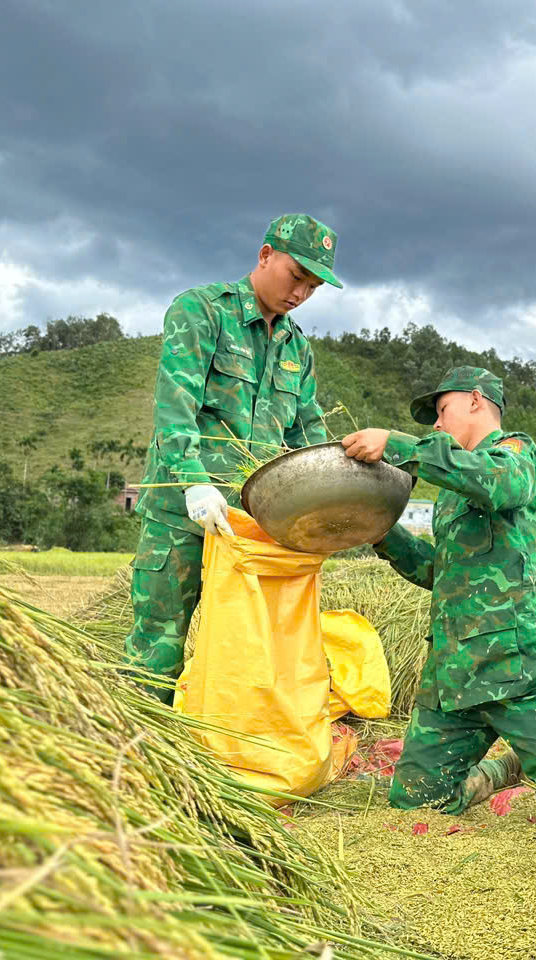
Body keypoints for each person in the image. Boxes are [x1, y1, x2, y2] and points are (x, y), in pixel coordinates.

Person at [340, 366, 536, 819]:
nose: (435, 424)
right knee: (417, 804)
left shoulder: (516, 455)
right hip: (454, 676)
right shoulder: (451, 497)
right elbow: (441, 572)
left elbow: (499, 484)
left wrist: (398, 445)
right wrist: (380, 532)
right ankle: (499, 772)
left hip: (517, 669)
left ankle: (529, 763)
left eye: (441, 410)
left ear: (476, 400)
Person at [127, 214, 340, 702]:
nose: (300, 293)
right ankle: (141, 754)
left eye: (313, 286)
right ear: (265, 255)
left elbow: (305, 431)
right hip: (183, 515)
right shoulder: (200, 312)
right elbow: (175, 408)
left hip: (251, 527)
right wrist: (193, 483)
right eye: (295, 277)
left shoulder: (297, 347)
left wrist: (333, 490)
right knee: (157, 647)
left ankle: (222, 750)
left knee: (247, 654)